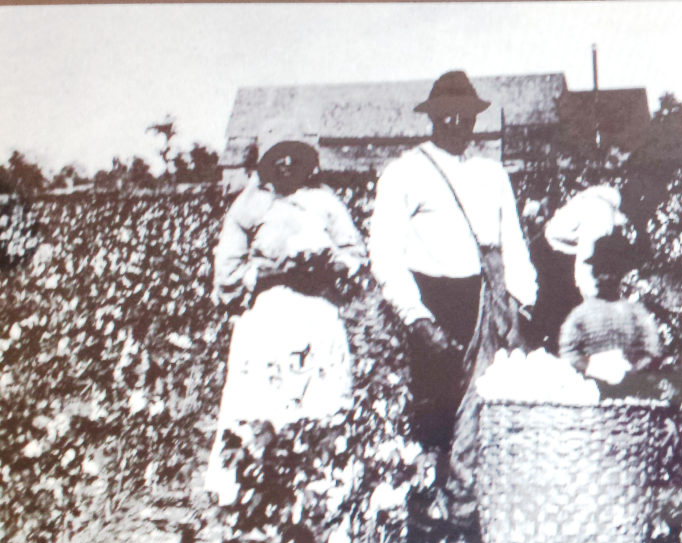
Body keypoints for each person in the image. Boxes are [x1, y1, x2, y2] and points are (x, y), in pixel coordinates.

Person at [367, 71, 537, 519]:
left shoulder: (491, 173)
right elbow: (384, 251)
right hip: (429, 296)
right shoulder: (404, 172)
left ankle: (465, 507)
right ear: (434, 118)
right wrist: (415, 316)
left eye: (466, 116)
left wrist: (519, 303)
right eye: (449, 116)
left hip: (481, 296)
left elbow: (512, 242)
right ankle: (425, 513)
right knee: (431, 406)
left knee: (480, 401)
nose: (458, 124)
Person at [204, 124, 367, 506]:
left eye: (296, 155)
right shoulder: (247, 207)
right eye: (280, 156)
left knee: (321, 401)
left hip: (318, 314)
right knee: (262, 401)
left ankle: (317, 492)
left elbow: (355, 253)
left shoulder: (325, 203)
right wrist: (277, 270)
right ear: (266, 162)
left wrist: (329, 265)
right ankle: (254, 490)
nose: (288, 163)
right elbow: (226, 277)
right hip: (269, 318)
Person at [559, 232, 661, 399]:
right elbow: (569, 353)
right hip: (590, 391)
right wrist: (591, 368)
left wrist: (632, 370)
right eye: (601, 270)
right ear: (595, 273)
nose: (606, 277)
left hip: (631, 392)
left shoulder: (636, 314)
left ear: (621, 274)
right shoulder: (581, 315)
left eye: (612, 271)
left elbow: (650, 350)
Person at [535, 184, 629, 350]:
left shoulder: (600, 205)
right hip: (549, 252)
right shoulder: (602, 214)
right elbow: (586, 260)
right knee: (558, 312)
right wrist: (590, 296)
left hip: (556, 250)